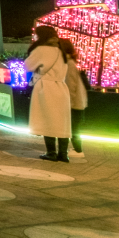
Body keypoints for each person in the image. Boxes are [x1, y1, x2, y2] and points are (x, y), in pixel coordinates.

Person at [25, 26, 72, 162]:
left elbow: (28, 66)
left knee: (48, 120)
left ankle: (51, 153)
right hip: (62, 88)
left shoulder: (41, 49)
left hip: (46, 87)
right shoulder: (62, 49)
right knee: (63, 121)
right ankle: (63, 154)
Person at [60, 37, 88, 157]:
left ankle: (78, 150)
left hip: (73, 103)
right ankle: (77, 149)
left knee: (73, 128)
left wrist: (68, 103)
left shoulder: (68, 63)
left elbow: (70, 85)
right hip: (76, 102)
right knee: (74, 127)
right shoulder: (70, 62)